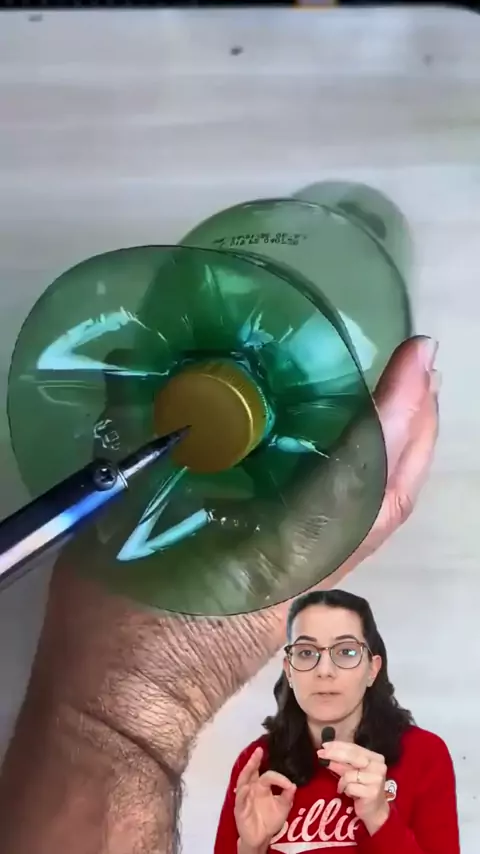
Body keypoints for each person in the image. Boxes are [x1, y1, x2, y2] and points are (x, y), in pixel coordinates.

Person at [0, 337, 440, 854]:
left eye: (344, 652)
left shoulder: (419, 760)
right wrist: (128, 701)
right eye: (312, 652)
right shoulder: (266, 767)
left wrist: (118, 704)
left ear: (374, 665)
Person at [215, 588, 460, 854]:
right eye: (306, 653)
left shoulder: (424, 754)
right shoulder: (256, 763)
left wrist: (381, 818)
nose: (324, 671)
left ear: (372, 669)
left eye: (346, 652)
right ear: (289, 671)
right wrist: (252, 847)